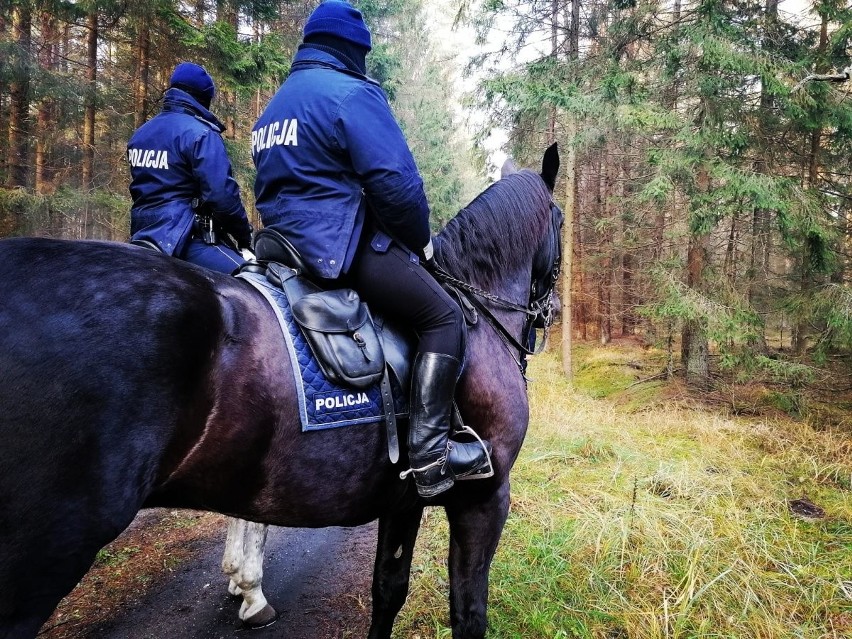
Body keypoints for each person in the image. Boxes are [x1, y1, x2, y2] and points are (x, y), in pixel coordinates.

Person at [251, 0, 490, 497]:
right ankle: (431, 457)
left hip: (280, 247)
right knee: (443, 318)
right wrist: (421, 242)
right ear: (350, 48)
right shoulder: (350, 94)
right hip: (335, 245)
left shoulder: (275, 107)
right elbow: (396, 185)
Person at [127, 62, 253, 274]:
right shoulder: (200, 134)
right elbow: (222, 196)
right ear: (203, 98)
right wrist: (244, 237)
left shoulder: (140, 134)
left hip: (142, 236)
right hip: (184, 239)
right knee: (252, 281)